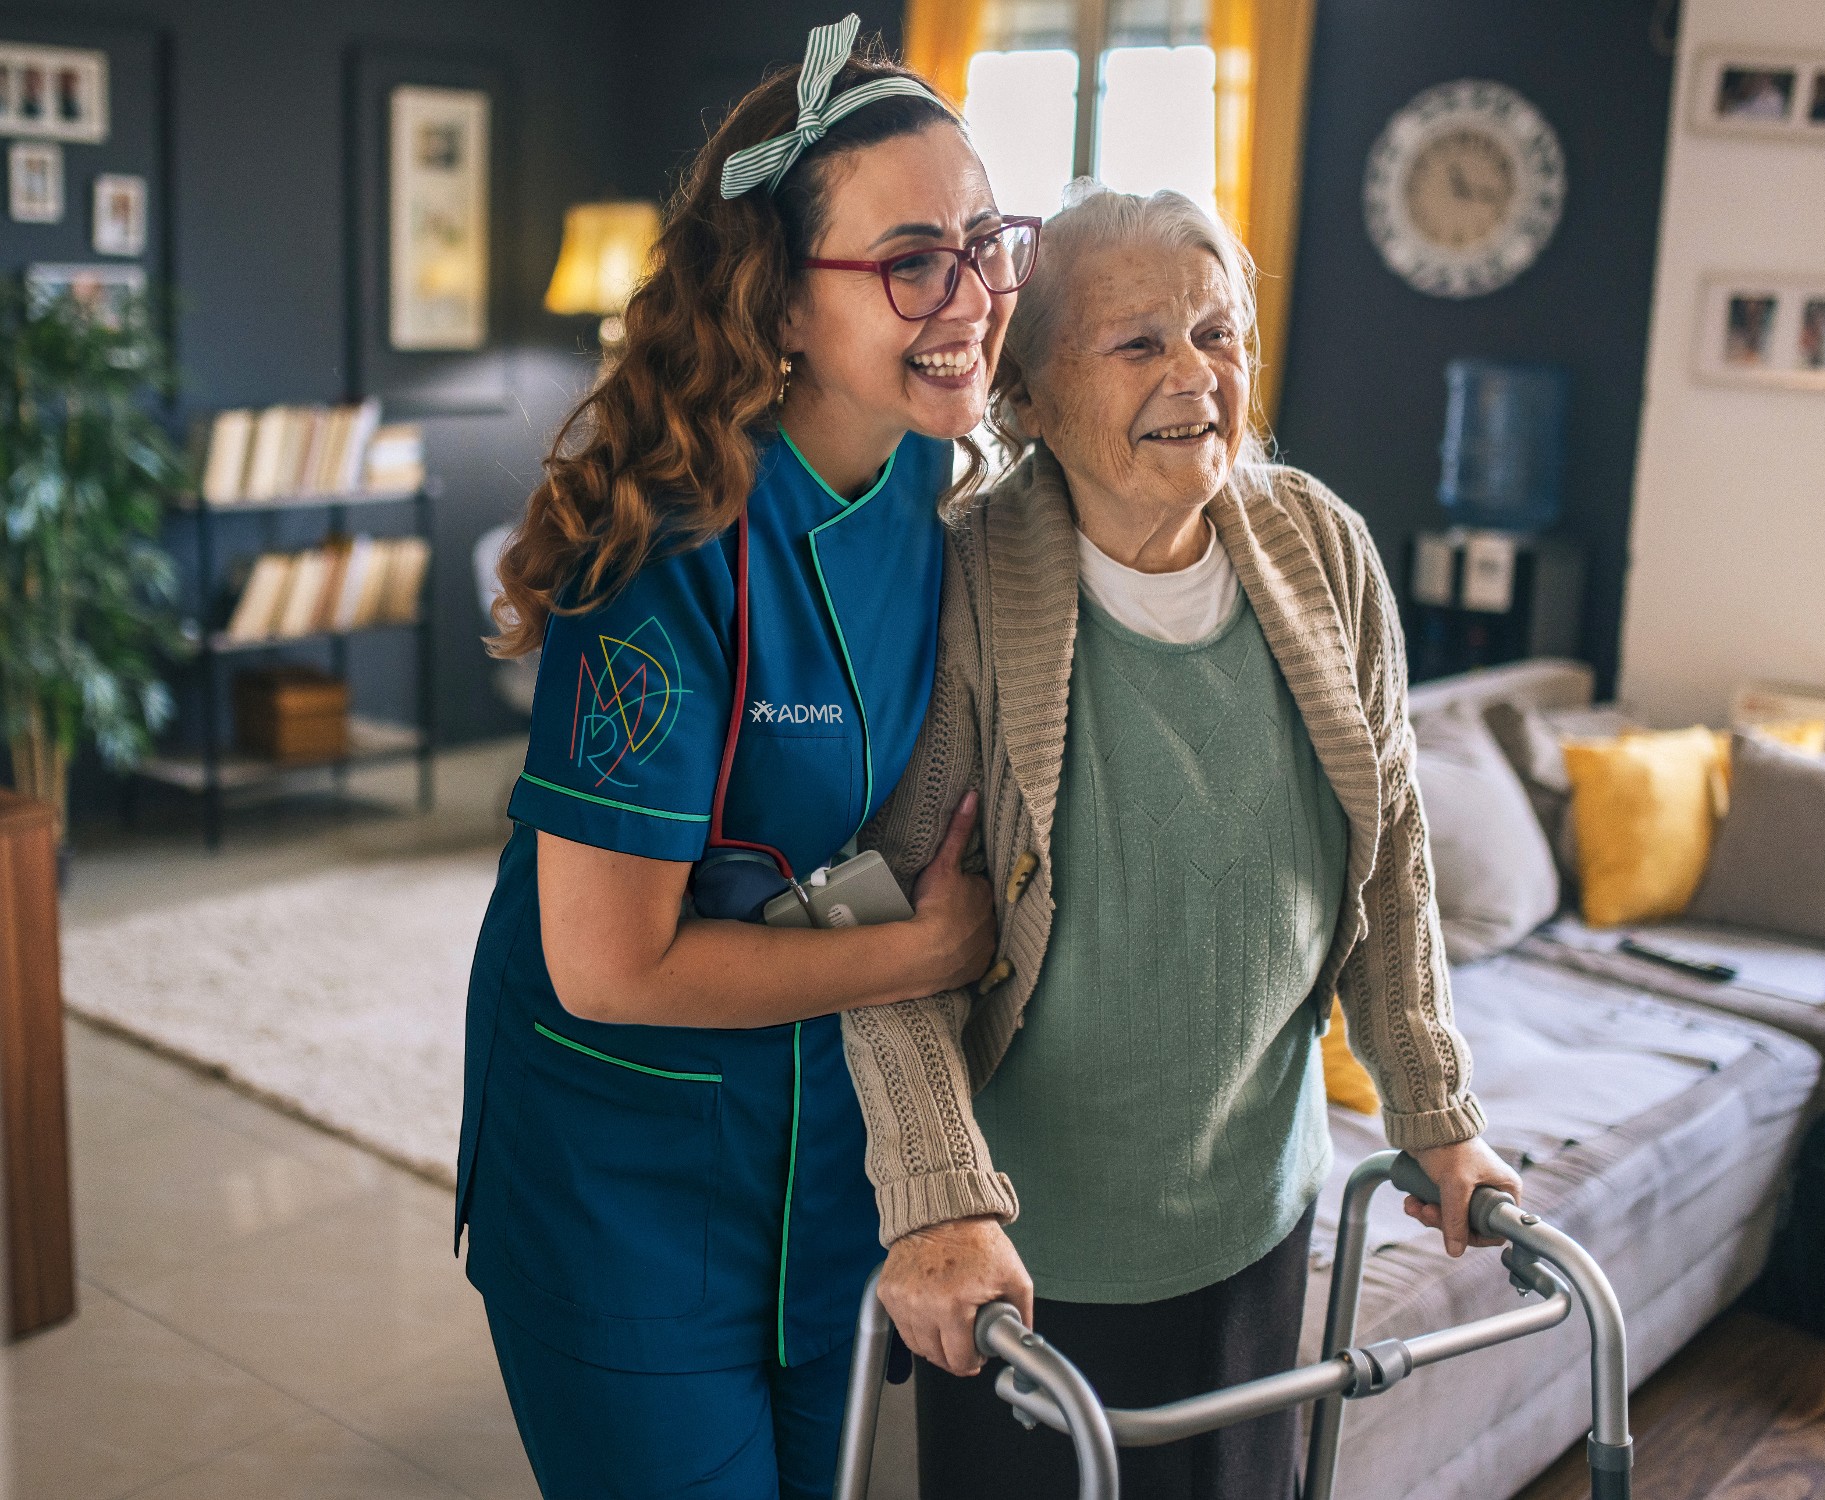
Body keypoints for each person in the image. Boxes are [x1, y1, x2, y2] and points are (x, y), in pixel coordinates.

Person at [840, 183, 1524, 1499]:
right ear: (1028, 395)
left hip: (1255, 1217)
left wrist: (1434, 1109)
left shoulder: (1319, 546)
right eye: (1140, 341)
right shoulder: (966, 587)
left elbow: (1387, 862)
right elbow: (877, 924)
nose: (1195, 374)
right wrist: (933, 1194)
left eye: (1218, 336)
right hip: (1022, 1248)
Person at [456, 17, 1039, 1497]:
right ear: (780, 305)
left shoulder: (933, 482)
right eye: (913, 259)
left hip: (828, 1172)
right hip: (624, 1189)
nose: (969, 297)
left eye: (984, 242)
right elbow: (609, 966)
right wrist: (926, 953)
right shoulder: (658, 553)